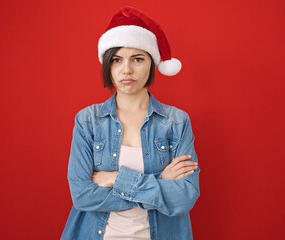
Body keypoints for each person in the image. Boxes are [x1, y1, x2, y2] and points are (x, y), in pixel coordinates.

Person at [61, 6, 200, 240]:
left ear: (152, 64)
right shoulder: (88, 121)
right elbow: (83, 195)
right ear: (108, 65)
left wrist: (115, 178)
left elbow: (185, 196)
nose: (127, 70)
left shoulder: (176, 122)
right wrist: (159, 182)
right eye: (116, 60)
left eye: (137, 59)